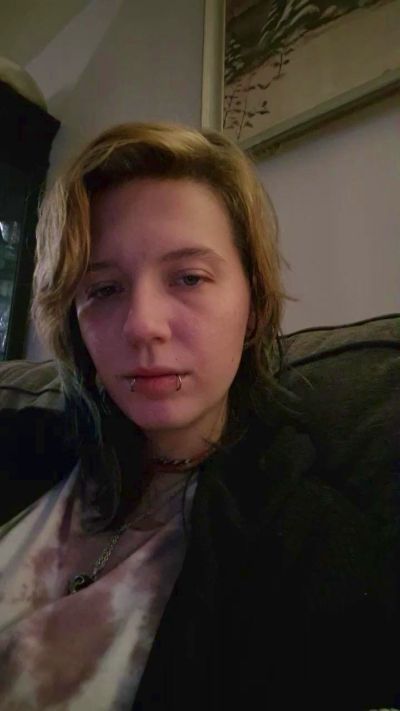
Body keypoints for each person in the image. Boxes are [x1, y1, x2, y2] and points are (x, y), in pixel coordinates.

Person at [0, 121, 399, 711]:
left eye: (189, 278)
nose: (143, 325)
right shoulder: (22, 442)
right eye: (103, 289)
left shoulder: (307, 539)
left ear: (254, 302)